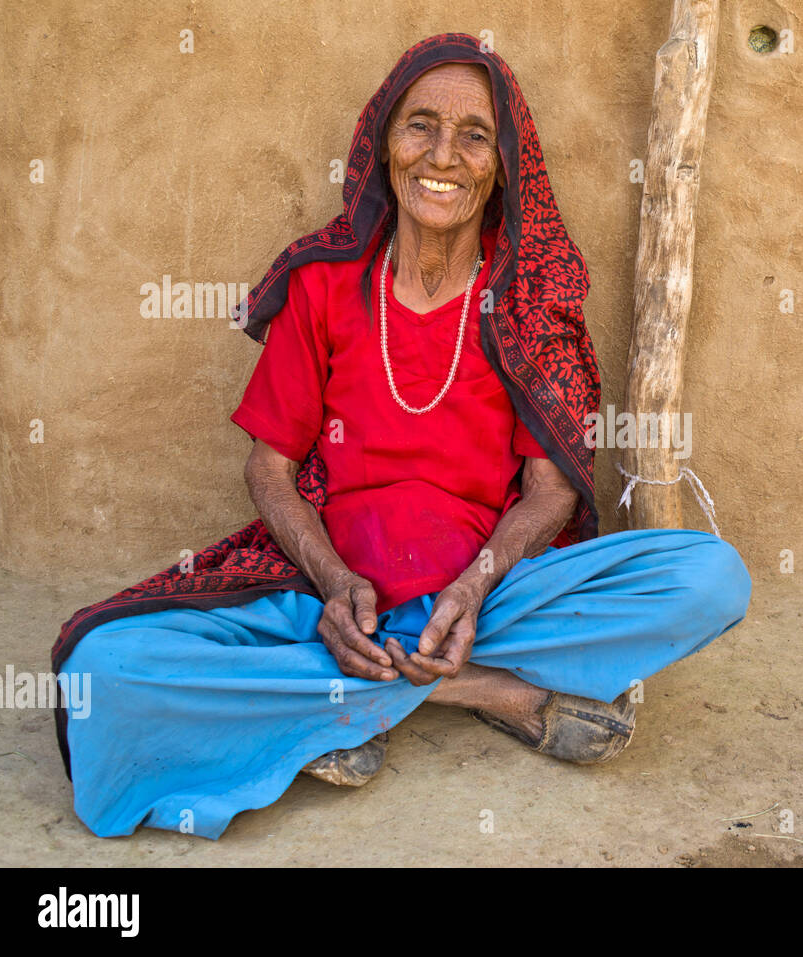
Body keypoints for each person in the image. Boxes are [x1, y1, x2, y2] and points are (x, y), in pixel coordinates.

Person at [49, 33, 750, 840]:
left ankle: (349, 700)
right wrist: (335, 580)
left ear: (503, 163)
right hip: (327, 592)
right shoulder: (324, 282)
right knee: (103, 667)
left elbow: (552, 487)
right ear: (383, 146)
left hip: (491, 596)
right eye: (420, 125)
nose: (442, 154)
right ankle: (493, 693)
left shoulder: (528, 299)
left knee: (710, 576)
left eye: (474, 134)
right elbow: (271, 469)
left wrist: (474, 586)